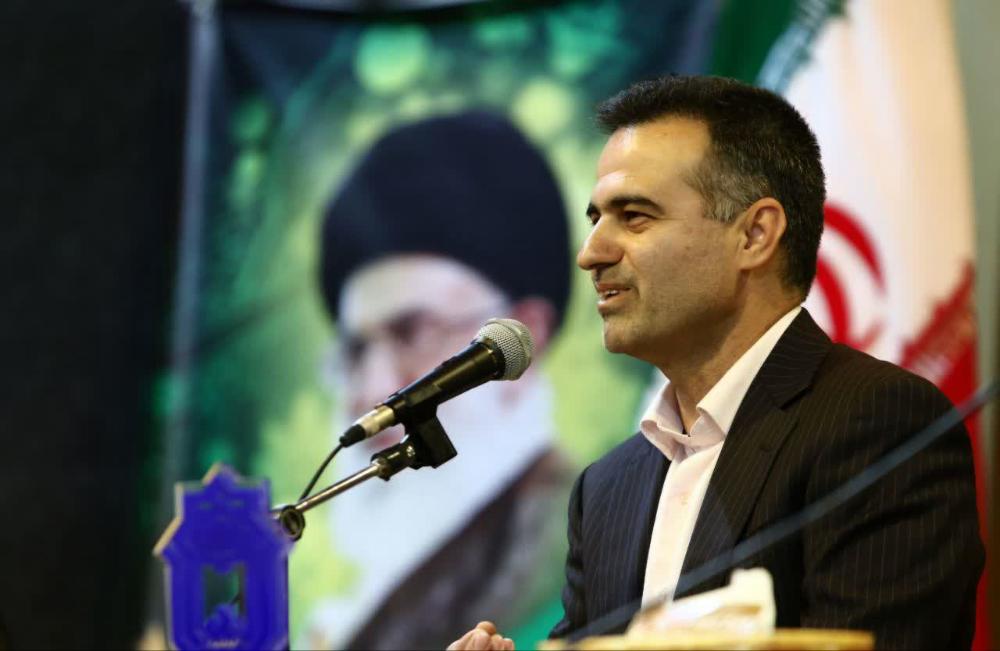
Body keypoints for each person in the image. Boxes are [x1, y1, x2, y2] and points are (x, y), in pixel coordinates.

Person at [450, 76, 983, 651]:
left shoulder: (879, 426)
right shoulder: (606, 488)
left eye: (634, 216)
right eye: (596, 218)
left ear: (754, 234)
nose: (591, 253)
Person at [302, 111, 575, 650]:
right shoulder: (374, 600)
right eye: (355, 351)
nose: (371, 389)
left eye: (413, 331)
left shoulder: (581, 545)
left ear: (523, 339)